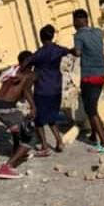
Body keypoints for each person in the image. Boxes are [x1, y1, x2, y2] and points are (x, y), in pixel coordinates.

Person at [0, 50, 36, 179]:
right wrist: (33, 107)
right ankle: (8, 167)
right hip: (6, 107)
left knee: (18, 127)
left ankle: (17, 152)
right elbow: (26, 91)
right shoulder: (29, 74)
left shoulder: (13, 71)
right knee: (30, 137)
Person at [28, 24, 69, 156]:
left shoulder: (39, 53)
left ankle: (45, 146)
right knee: (52, 118)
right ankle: (59, 142)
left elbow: (26, 63)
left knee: (39, 120)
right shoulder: (58, 50)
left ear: (40, 37)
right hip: (56, 88)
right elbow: (70, 51)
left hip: (42, 90)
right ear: (52, 36)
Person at [72, 9, 104, 152]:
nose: (73, 24)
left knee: (91, 110)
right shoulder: (98, 32)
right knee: (91, 105)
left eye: (74, 21)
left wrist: (70, 50)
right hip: (101, 75)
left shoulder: (79, 36)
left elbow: (77, 53)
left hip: (89, 76)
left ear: (79, 21)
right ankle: (94, 135)